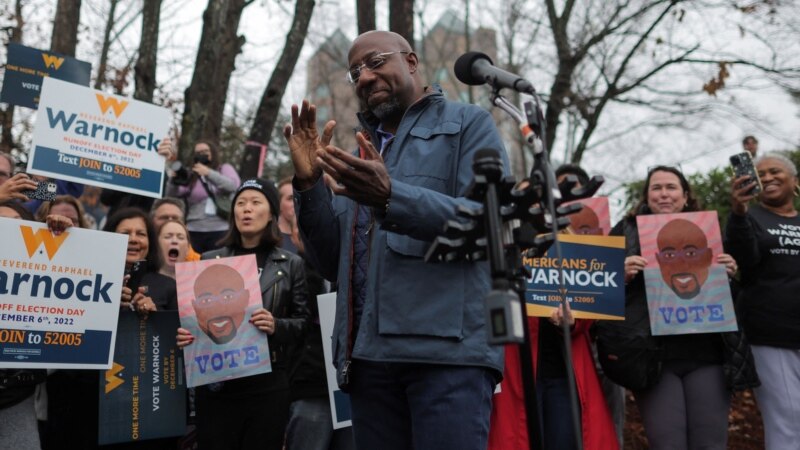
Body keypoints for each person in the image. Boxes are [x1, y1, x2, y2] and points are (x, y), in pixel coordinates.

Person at [284, 30, 507, 450]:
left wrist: (392, 196)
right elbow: (332, 261)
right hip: (367, 362)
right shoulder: (358, 154)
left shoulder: (467, 125)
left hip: (445, 357)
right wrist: (310, 182)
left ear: (411, 61)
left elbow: (490, 224)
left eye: (375, 61)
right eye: (355, 72)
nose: (364, 77)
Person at [611, 166, 744, 449]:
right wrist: (617, 275)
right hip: (652, 357)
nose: (663, 194)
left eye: (671, 187)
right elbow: (598, 293)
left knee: (710, 444)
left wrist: (730, 272)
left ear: (685, 196)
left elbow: (733, 294)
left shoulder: (709, 229)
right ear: (647, 196)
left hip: (707, 353)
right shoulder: (625, 230)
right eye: (656, 188)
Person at [176, 178, 309, 450]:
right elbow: (194, 319)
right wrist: (186, 334)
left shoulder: (291, 263)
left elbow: (303, 324)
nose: (246, 209)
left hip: (267, 387)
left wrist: (276, 325)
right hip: (216, 388)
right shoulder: (208, 260)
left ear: (271, 214)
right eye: (240, 203)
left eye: (255, 202)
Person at [727, 152, 800, 450]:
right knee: (788, 417)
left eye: (775, 171)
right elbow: (743, 258)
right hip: (772, 335)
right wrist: (739, 212)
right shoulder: (750, 218)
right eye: (760, 174)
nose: (767, 177)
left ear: (795, 181)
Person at [164, 138, 241, 253]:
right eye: (198, 153)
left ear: (213, 153)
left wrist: (209, 173)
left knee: (216, 267)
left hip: (220, 229)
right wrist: (173, 180)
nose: (201, 155)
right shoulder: (191, 175)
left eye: (205, 152)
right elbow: (171, 195)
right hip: (194, 229)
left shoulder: (223, 168)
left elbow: (233, 185)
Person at [151, 197, 201, 261]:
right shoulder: (141, 254)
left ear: (184, 224)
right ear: (151, 221)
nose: (170, 222)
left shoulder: (199, 263)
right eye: (164, 217)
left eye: (175, 218)